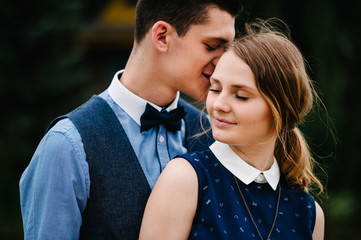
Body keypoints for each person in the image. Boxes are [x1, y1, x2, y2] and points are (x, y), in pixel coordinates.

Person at [19, 0, 241, 239]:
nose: (224, 62)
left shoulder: (215, 134)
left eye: (227, 49)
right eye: (213, 46)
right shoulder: (67, 145)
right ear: (162, 36)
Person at [139, 19, 325, 240]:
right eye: (215, 89)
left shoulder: (309, 213)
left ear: (281, 110)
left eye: (241, 96)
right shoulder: (185, 180)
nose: (218, 105)